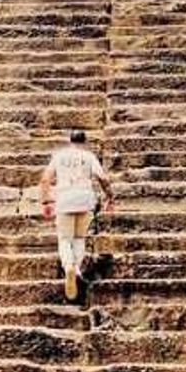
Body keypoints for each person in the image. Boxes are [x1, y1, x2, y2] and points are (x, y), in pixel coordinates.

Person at [39, 129, 115, 302]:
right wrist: (110, 197)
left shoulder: (59, 156)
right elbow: (102, 178)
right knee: (79, 238)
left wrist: (46, 202)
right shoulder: (89, 157)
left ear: (70, 141)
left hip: (65, 199)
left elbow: (45, 179)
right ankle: (77, 269)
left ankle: (69, 267)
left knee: (65, 238)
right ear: (84, 141)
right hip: (85, 199)